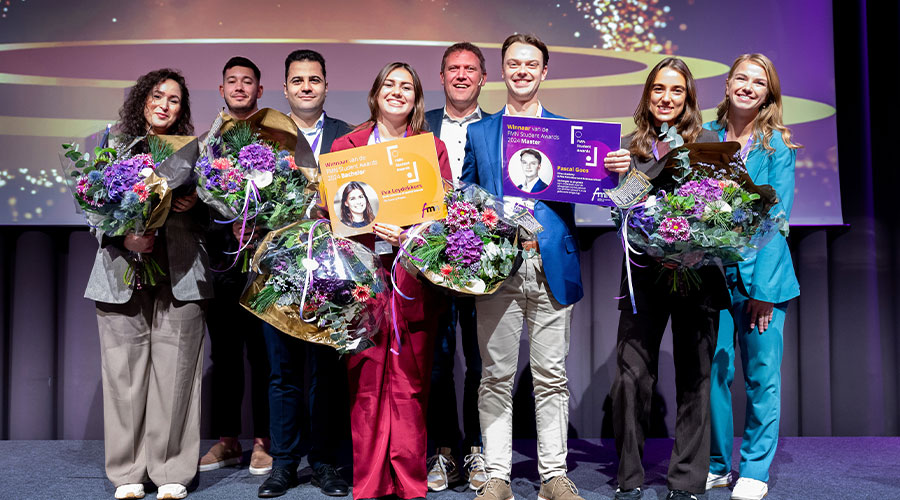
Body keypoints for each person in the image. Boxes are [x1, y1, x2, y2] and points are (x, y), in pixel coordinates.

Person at [460, 33, 585, 500]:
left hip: (551, 263)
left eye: (531, 64)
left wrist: (611, 173)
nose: (522, 71)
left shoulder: (572, 134)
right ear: (503, 69)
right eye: (514, 63)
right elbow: (465, 198)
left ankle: (553, 475)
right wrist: (484, 207)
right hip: (499, 269)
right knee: (495, 375)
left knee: (552, 377)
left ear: (544, 71)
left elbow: (595, 197)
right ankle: (497, 476)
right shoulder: (481, 132)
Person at [603, 57, 728, 500]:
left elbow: (725, 209)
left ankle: (687, 482)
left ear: (688, 97)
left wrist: (701, 241)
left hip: (697, 274)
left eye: (676, 90)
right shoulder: (626, 147)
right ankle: (630, 479)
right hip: (644, 275)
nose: (666, 98)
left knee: (695, 377)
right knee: (630, 378)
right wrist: (615, 178)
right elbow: (614, 211)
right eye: (658, 89)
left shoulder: (711, 142)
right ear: (647, 94)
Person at [87, 68, 212, 500]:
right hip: (121, 270)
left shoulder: (196, 150)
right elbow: (90, 204)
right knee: (124, 376)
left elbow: (219, 214)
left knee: (176, 376)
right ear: (142, 99)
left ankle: (171, 470)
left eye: (174, 100)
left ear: (182, 109)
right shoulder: (111, 145)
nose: (164, 105)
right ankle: (127, 475)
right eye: (157, 96)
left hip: (180, 272)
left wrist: (197, 202)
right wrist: (123, 233)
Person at [330, 61, 452, 500]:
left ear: (416, 99)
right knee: (364, 382)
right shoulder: (348, 145)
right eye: (389, 84)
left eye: (406, 87)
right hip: (362, 278)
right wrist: (360, 224)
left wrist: (408, 234)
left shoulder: (430, 149)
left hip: (410, 280)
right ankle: (369, 483)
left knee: (409, 384)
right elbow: (332, 212)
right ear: (375, 92)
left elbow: (443, 216)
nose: (397, 92)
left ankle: (408, 483)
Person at [257, 48, 353, 499]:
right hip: (278, 268)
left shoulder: (349, 137)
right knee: (283, 372)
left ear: (326, 86)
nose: (307, 87)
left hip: (334, 273)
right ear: (286, 88)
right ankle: (283, 463)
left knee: (329, 372)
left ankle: (327, 462)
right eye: (298, 81)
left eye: (314, 79)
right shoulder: (263, 137)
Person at [704, 54, 801, 500]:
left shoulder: (777, 147)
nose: (747, 86)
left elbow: (776, 220)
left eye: (758, 82)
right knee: (714, 373)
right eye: (740, 78)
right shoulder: (704, 138)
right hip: (711, 279)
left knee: (761, 377)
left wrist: (762, 291)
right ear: (726, 85)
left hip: (763, 281)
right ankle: (718, 464)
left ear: (768, 93)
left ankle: (755, 470)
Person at [199, 55, 272, 478]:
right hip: (221, 260)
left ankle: (263, 442)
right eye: (233, 81)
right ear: (222, 88)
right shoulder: (206, 142)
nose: (240, 87)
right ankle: (228, 440)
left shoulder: (274, 136)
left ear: (260, 91)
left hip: (263, 261)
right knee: (224, 355)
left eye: (248, 82)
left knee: (263, 356)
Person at [422, 41, 488, 492]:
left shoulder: (503, 129)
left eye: (470, 69)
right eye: (453, 69)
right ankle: (444, 450)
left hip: (486, 264)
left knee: (483, 362)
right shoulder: (417, 128)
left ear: (483, 78)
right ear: (441, 77)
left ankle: (479, 450)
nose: (461, 75)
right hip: (427, 264)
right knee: (438, 362)